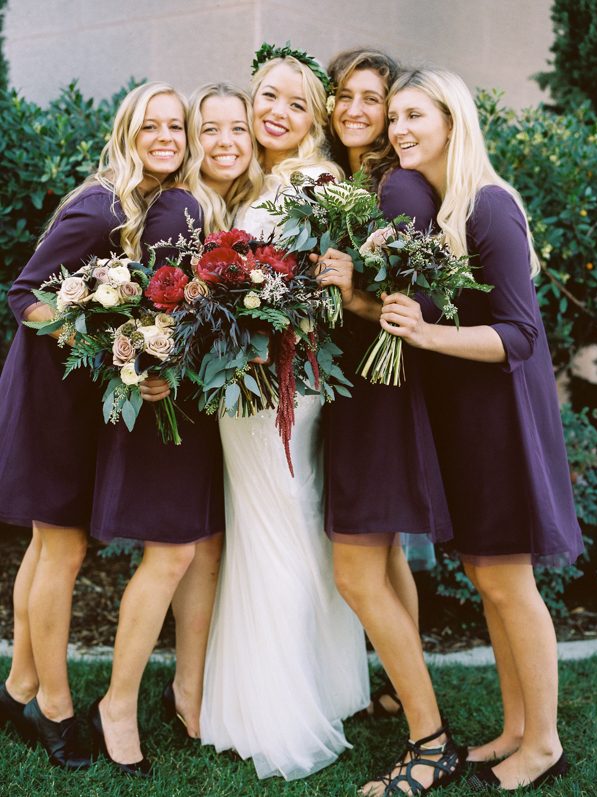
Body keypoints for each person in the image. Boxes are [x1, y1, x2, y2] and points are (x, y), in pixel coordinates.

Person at [380, 67, 583, 792]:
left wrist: (426, 334)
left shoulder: (489, 207)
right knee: (486, 577)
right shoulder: (437, 213)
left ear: (452, 121)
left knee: (507, 580)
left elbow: (519, 335)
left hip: (501, 419)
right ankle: (514, 726)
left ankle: (545, 742)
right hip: (465, 420)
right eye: (394, 116)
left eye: (414, 115)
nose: (399, 128)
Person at [0, 81, 187, 771]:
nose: (165, 136)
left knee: (49, 548)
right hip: (53, 401)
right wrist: (100, 328)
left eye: (176, 126)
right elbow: (26, 296)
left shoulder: (140, 203)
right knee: (65, 552)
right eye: (151, 126)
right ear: (127, 131)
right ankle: (53, 704)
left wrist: (128, 346)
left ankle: (19, 685)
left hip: (79, 398)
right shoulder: (101, 203)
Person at [199, 45, 370, 781]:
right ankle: (320, 686)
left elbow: (308, 292)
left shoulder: (315, 181)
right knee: (281, 523)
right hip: (254, 379)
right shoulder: (259, 180)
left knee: (279, 525)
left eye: (297, 104)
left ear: (315, 121)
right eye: (268, 95)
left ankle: (278, 708)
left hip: (278, 383)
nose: (276, 111)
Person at [87, 86, 255, 774]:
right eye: (202, 127)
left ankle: (189, 690)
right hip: (171, 404)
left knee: (204, 548)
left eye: (177, 126)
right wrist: (139, 360)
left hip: (208, 406)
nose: (210, 138)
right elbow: (135, 300)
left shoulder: (208, 202)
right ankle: (117, 702)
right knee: (172, 554)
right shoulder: (175, 205)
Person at [325, 53, 448, 712]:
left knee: (356, 571)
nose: (356, 109)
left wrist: (355, 300)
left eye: (373, 99)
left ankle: (429, 735)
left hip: (379, 393)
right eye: (345, 95)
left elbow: (423, 305)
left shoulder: (395, 187)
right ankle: (407, 691)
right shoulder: (346, 184)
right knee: (389, 554)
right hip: (363, 384)